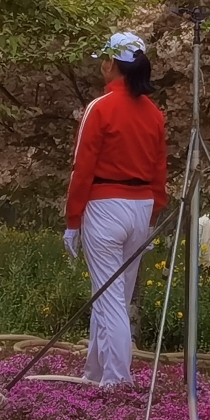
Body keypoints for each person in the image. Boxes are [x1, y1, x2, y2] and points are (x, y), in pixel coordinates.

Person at [63, 32, 170, 387]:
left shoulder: (101, 107)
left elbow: (83, 169)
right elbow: (159, 172)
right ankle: (95, 371)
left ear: (112, 63)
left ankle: (118, 380)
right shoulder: (154, 114)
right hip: (141, 208)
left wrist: (72, 221)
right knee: (113, 295)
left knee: (109, 299)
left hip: (105, 206)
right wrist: (153, 219)